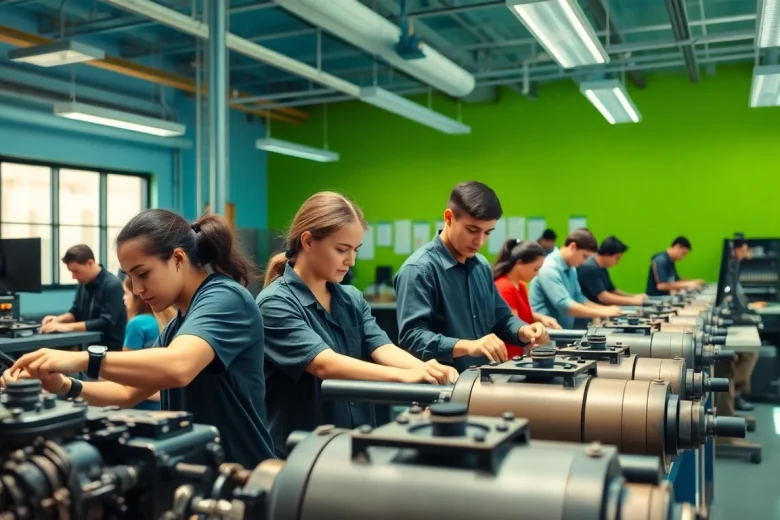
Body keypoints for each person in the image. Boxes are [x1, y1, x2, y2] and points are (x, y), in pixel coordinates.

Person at [2, 209, 275, 467]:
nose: (136, 288)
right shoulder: (176, 327)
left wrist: (80, 359)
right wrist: (63, 385)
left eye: (143, 274)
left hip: (243, 471)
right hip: (201, 472)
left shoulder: (226, 297)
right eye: (130, 277)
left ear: (178, 259)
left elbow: (178, 367)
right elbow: (127, 392)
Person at [257, 192, 459, 458]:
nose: (351, 261)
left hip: (356, 444)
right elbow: (324, 364)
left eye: (355, 250)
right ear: (307, 241)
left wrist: (428, 370)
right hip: (302, 454)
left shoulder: (351, 298)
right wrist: (405, 377)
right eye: (341, 249)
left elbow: (382, 347)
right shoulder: (274, 303)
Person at [394, 181, 549, 373]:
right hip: (442, 390)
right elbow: (412, 338)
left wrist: (523, 330)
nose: (480, 241)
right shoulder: (418, 270)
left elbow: (501, 317)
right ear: (449, 218)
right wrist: (468, 346)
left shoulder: (481, 265)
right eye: (472, 230)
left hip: (482, 383)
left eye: (487, 233)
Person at [529, 228, 622, 329]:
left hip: (561, 331)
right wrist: (601, 312)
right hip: (544, 335)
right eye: (584, 256)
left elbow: (579, 298)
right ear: (573, 247)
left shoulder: (571, 268)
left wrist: (606, 309)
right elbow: (564, 306)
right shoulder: (549, 267)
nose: (584, 262)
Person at [40, 244, 126, 351]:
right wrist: (58, 320)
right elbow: (75, 312)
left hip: (110, 350)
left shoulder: (113, 285)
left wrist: (68, 327)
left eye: (76, 271)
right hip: (87, 347)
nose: (73, 276)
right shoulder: (83, 284)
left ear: (90, 263)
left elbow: (106, 322)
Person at [492, 239, 561, 358]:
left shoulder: (521, 285)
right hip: (509, 358)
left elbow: (523, 313)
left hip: (520, 354)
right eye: (535, 269)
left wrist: (540, 318)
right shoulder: (504, 287)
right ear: (519, 263)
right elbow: (511, 326)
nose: (537, 274)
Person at [121, 276, 177, 410]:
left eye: (126, 293)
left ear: (138, 297)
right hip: (169, 399)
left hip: (144, 402)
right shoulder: (173, 319)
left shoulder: (137, 323)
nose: (123, 298)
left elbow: (125, 371)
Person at [730, 238, 759, 412]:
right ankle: (736, 394)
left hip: (738, 313)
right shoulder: (731, 267)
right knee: (750, 351)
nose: (746, 254)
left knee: (750, 350)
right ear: (736, 250)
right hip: (735, 316)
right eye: (744, 250)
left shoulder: (734, 268)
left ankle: (737, 393)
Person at [577, 236, 648, 306]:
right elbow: (603, 297)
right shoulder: (589, 268)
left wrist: (633, 296)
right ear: (607, 254)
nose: (618, 262)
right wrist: (632, 301)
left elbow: (612, 290)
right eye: (617, 258)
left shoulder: (601, 267)